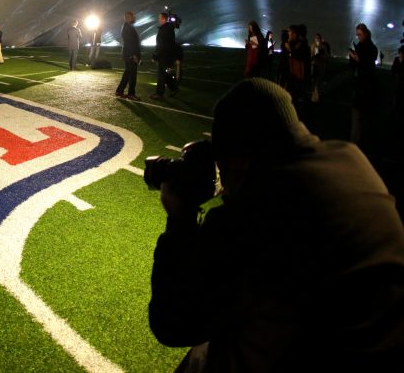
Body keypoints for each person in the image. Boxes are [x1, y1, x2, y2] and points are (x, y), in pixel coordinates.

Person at [149, 78, 404, 372]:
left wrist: (180, 218)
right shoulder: (350, 158)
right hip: (381, 340)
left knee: (200, 359)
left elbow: (171, 323)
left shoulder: (257, 210)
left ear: (240, 159)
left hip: (325, 354)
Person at [349, 23, 378, 150]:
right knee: (360, 116)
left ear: (365, 34)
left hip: (364, 86)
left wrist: (358, 60)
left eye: (359, 34)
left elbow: (367, 67)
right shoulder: (368, 47)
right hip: (362, 85)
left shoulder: (369, 48)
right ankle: (358, 143)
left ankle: (356, 143)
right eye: (357, 34)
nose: (358, 37)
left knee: (359, 116)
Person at [151, 12, 179, 100]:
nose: (158, 19)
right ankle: (174, 88)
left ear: (164, 19)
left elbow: (161, 45)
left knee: (161, 75)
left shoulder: (164, 29)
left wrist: (155, 56)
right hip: (168, 56)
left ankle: (159, 94)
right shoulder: (169, 29)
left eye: (160, 18)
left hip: (164, 57)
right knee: (166, 75)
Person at [115, 11, 141, 101]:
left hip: (129, 54)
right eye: (133, 16)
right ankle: (131, 94)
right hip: (130, 55)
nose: (135, 18)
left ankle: (119, 91)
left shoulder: (128, 27)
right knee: (132, 75)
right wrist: (133, 55)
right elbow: (129, 43)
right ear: (128, 18)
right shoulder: (127, 28)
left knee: (127, 73)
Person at [310, 33, 330, 102]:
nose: (317, 39)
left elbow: (327, 57)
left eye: (318, 38)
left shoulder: (323, 47)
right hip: (315, 67)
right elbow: (311, 55)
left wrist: (320, 56)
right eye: (316, 38)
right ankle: (315, 97)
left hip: (320, 67)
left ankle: (316, 97)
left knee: (318, 83)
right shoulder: (313, 46)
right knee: (315, 82)